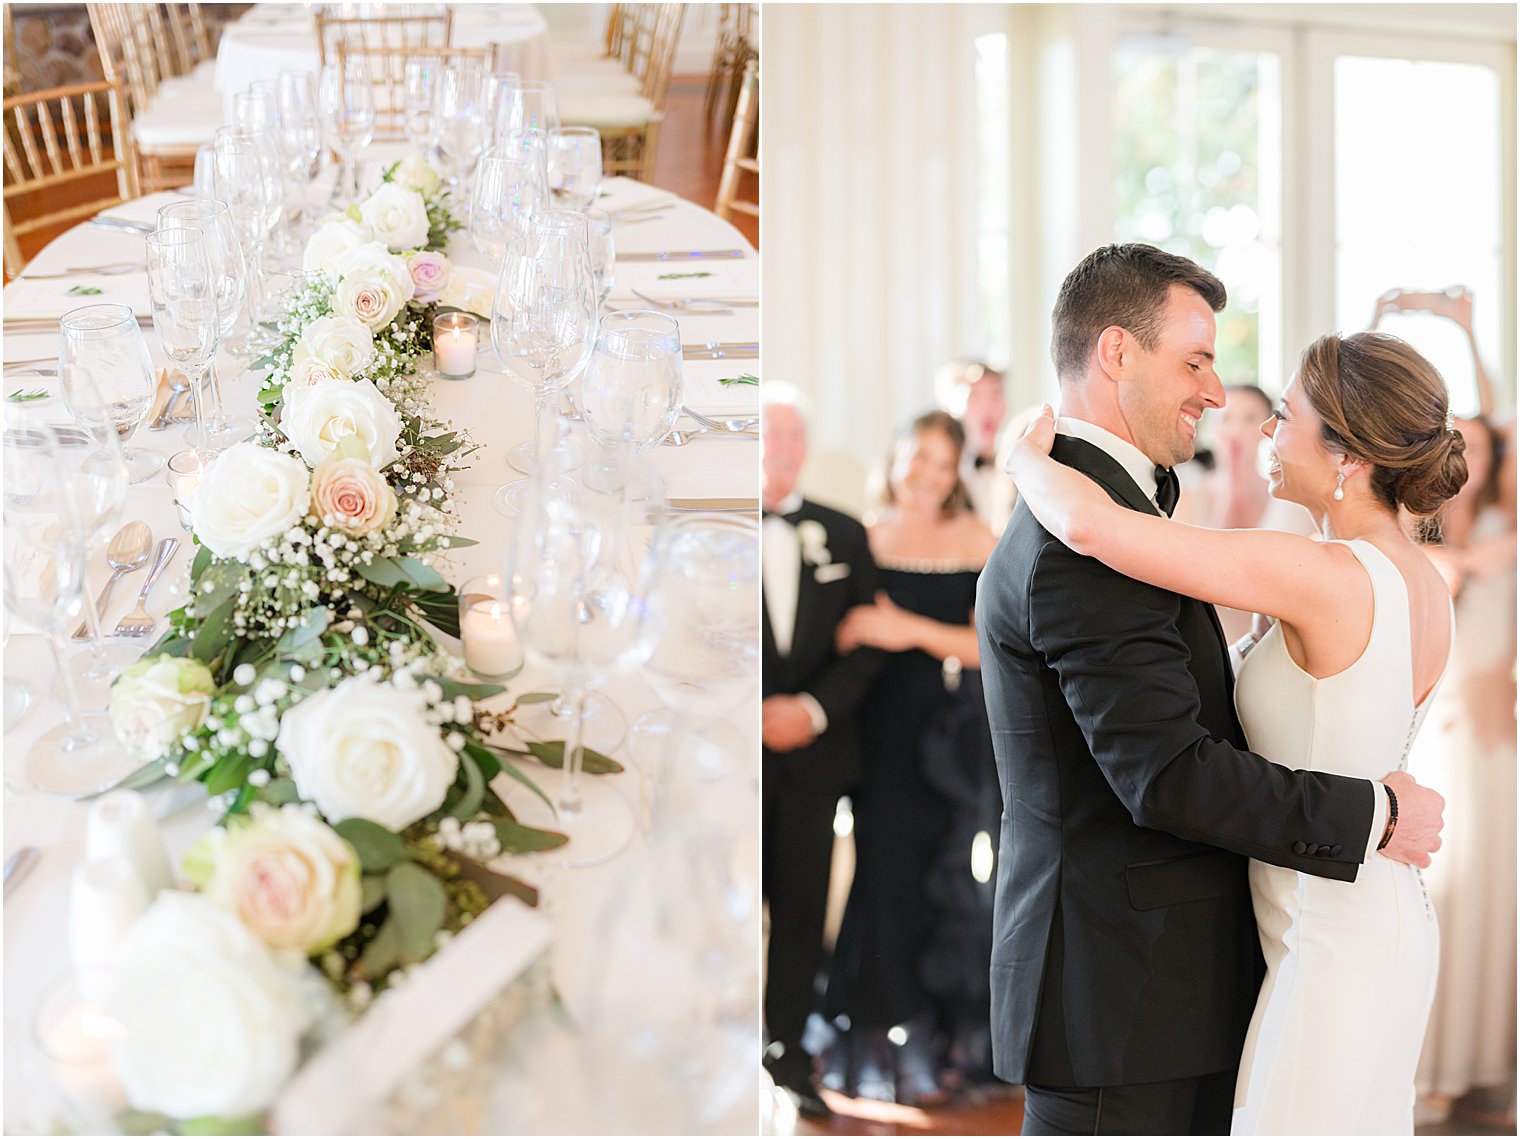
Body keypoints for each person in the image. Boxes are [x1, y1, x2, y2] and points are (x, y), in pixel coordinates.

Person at [977, 242, 1449, 1136]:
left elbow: (1093, 528)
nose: (1228, 400)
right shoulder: (1085, 545)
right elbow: (1164, 773)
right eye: (1196, 359)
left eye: (1285, 416)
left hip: (1250, 958)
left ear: (1346, 452)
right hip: (1129, 995)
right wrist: (1375, 815)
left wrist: (1025, 463)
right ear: (1117, 353)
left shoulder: (1109, 524)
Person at [818, 410, 999, 1106]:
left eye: (942, 462)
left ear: (957, 474)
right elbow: (841, 633)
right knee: (883, 877)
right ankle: (878, 1033)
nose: (927, 473)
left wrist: (904, 628)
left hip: (951, 736)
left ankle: (942, 1037)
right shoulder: (861, 538)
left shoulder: (978, 539)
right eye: (917, 456)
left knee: (946, 877)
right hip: (876, 734)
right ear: (893, 458)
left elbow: (988, 648)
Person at [1380, 290, 1518, 1126]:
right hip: (1429, 744)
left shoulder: (1507, 529)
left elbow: (1501, 420)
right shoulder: (1420, 533)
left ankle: (1488, 1063)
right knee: (1431, 899)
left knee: (1492, 900)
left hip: (1496, 749)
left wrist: (1468, 330)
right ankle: (1424, 1061)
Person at [760, 382, 884, 1119]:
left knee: (804, 908)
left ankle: (786, 1047)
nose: (779, 449)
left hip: (814, 755)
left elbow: (866, 644)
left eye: (790, 436)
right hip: (732, 756)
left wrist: (810, 708)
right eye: (766, 435)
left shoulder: (844, 532)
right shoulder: (710, 523)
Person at [1173, 384, 1316, 643]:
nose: (1236, 430)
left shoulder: (1291, 502)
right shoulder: (1185, 494)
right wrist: (1232, 489)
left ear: (1267, 429)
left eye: (1249, 419)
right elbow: (1198, 572)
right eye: (1226, 419)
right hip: (1207, 642)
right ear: (1211, 429)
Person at [935, 359, 1014, 531]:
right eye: (974, 397)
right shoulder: (937, 470)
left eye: (996, 395)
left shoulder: (1020, 462)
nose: (988, 408)